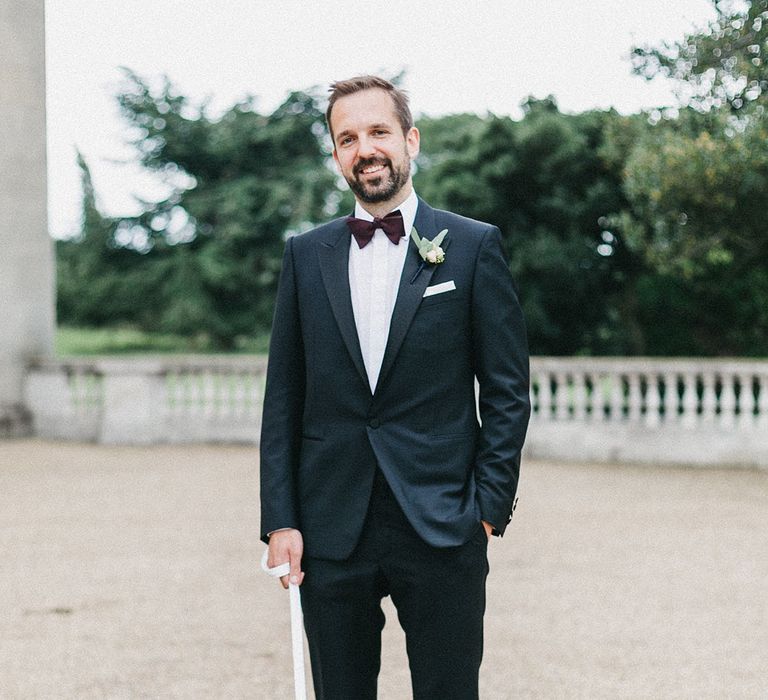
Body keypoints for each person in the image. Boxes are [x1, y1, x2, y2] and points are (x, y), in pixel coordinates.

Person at [260, 75, 530, 700]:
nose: (365, 149)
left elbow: (507, 390)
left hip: (442, 520)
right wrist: (281, 519)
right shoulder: (305, 255)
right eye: (347, 138)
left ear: (409, 140)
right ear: (336, 156)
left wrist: (488, 506)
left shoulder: (471, 246)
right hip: (330, 525)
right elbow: (283, 398)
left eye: (378, 131)